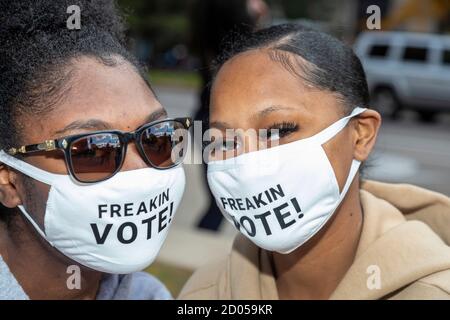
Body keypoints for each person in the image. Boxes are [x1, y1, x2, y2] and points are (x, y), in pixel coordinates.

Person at [179, 24, 450, 299]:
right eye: (224, 142)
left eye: (279, 130)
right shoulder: (204, 294)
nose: (247, 160)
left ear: (361, 135)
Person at [0, 0, 190, 300]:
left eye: (156, 138)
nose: (139, 171)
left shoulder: (149, 295)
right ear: (9, 180)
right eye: (91, 150)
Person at [190, 0, 270, 231]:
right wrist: (256, 18)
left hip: (206, 113)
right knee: (227, 197)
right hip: (225, 117)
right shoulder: (236, 41)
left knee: (221, 196)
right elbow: (248, 46)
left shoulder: (202, 17)